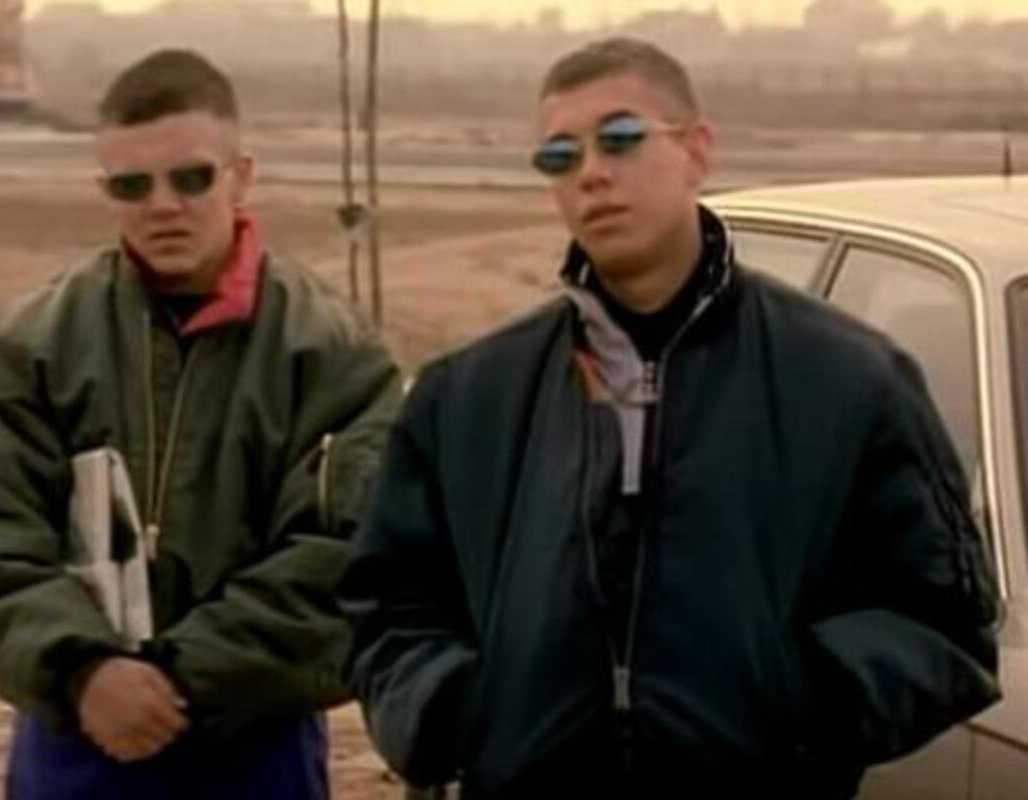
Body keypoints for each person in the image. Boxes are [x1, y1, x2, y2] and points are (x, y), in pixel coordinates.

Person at [342, 37, 1000, 799]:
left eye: (620, 139)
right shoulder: (467, 399)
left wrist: (798, 700)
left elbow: (944, 623)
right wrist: (457, 712)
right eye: (559, 156)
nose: (591, 172)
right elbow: (389, 608)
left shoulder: (851, 381)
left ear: (697, 151)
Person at [0, 48, 401, 800]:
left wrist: (180, 679)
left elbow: (350, 558)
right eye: (132, 184)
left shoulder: (333, 356)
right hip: (74, 733)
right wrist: (85, 670)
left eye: (191, 178)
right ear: (104, 190)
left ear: (241, 176)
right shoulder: (26, 348)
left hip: (255, 742)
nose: (163, 204)